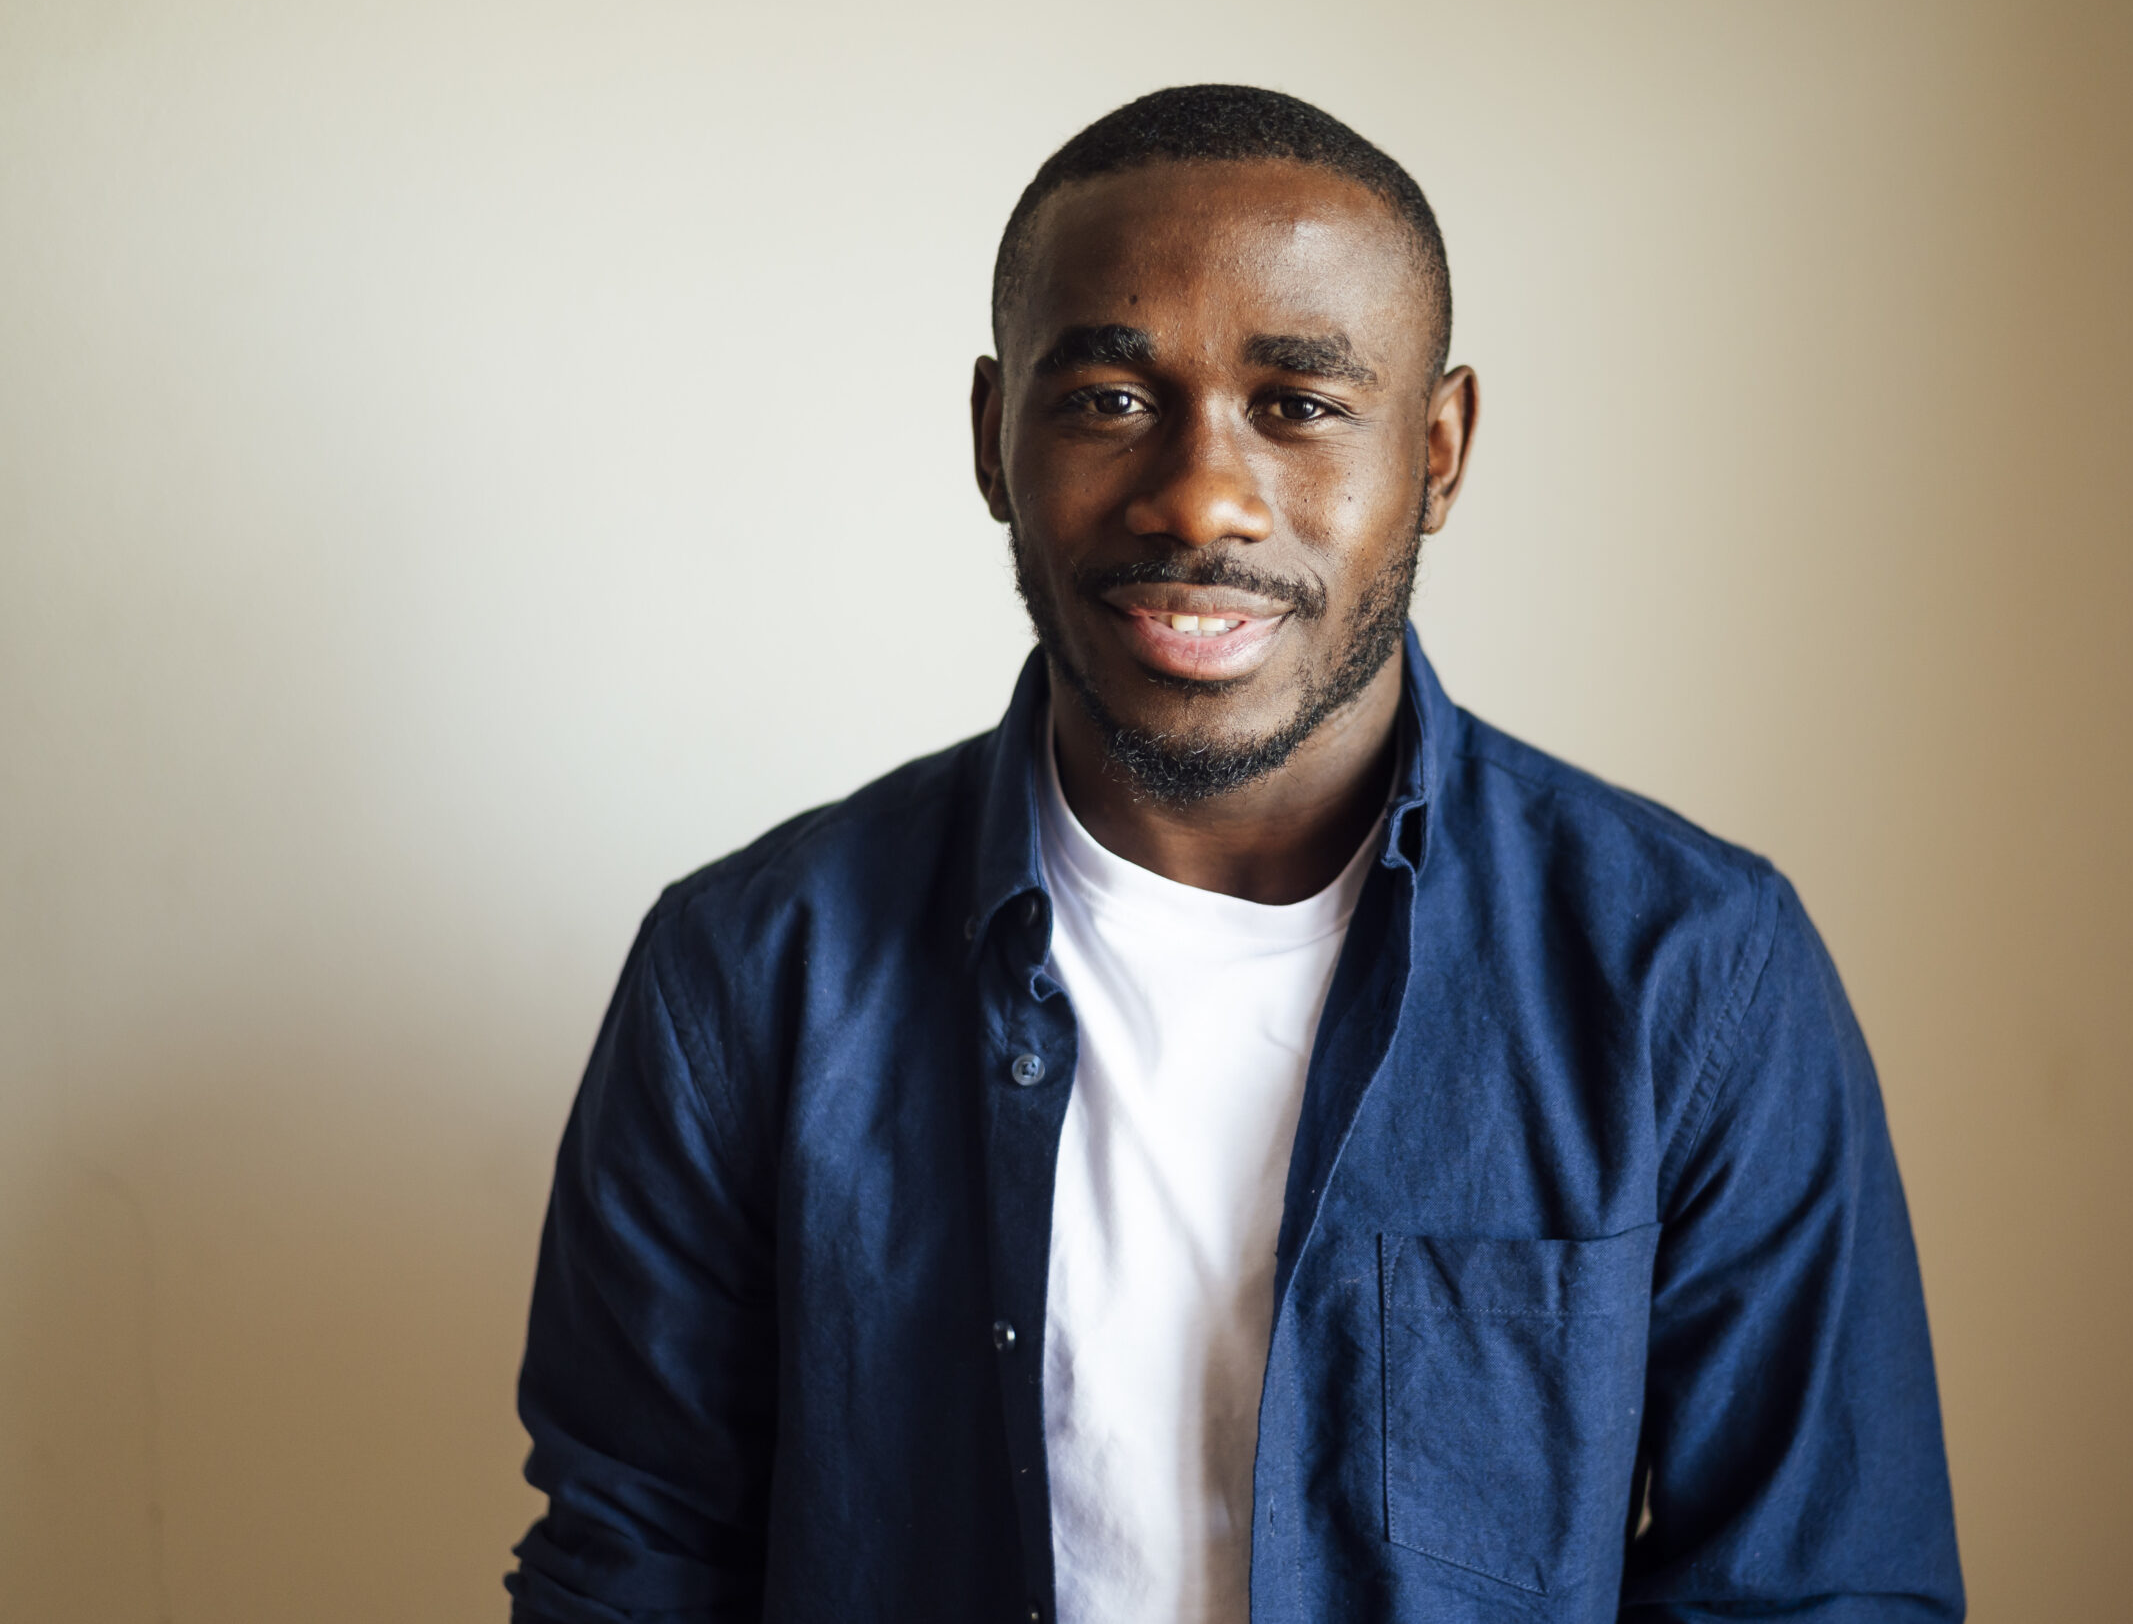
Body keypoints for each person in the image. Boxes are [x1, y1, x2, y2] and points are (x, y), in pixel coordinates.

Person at [507, 84, 1963, 1624]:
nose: (1201, 495)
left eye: (1301, 402)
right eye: (1110, 401)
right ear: (996, 442)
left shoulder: (1693, 975)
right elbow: (632, 1568)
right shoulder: (747, 974)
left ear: (1441, 451)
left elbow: (1818, 1592)